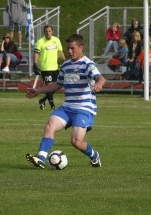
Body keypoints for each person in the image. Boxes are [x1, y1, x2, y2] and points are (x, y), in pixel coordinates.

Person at [25, 34, 106, 169]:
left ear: (81, 47)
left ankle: (94, 155)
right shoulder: (66, 65)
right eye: (68, 48)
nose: (69, 52)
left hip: (84, 108)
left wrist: (99, 84)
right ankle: (41, 158)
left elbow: (101, 78)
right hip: (67, 108)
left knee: (76, 141)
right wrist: (38, 91)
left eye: (72, 48)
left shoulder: (87, 64)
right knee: (50, 126)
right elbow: (58, 84)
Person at [33, 24, 65, 110]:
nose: (48, 33)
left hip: (55, 67)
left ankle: (43, 100)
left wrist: (65, 61)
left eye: (50, 31)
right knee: (49, 87)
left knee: (57, 86)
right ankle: (53, 107)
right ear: (44, 32)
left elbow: (60, 52)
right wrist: (35, 64)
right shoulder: (40, 42)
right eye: (46, 31)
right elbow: (36, 53)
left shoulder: (57, 40)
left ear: (52, 31)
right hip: (46, 68)